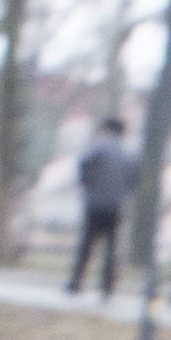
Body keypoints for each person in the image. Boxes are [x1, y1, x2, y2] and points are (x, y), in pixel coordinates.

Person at [65, 116, 139, 299]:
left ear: (106, 129)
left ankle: (76, 282)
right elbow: (134, 177)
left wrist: (87, 186)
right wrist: (123, 192)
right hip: (115, 205)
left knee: (87, 245)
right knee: (112, 247)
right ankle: (107, 286)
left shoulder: (98, 147)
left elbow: (84, 164)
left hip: (95, 203)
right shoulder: (127, 152)